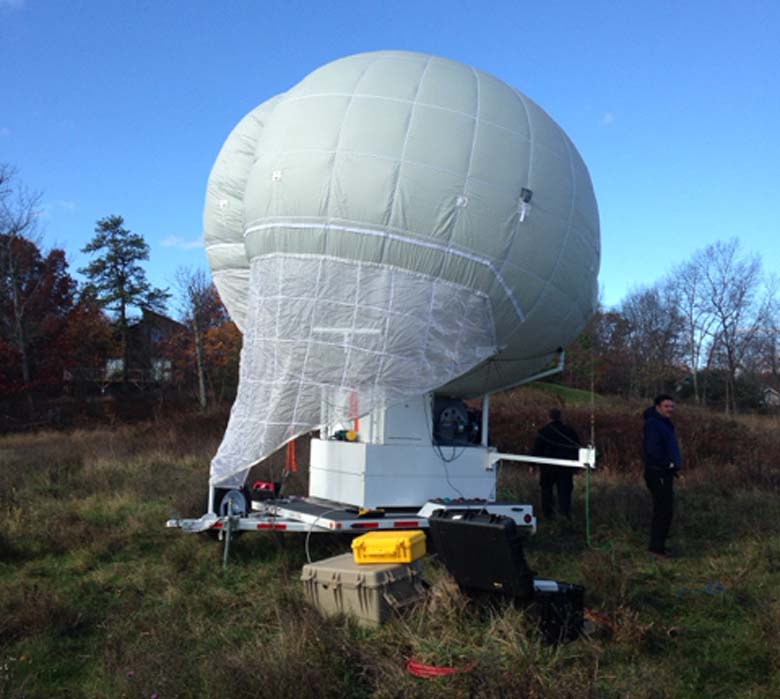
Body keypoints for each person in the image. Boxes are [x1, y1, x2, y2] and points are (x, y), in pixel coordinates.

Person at [643, 394, 681, 557]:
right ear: (658, 407)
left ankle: (659, 546)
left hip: (665, 473)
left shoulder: (666, 424)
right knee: (663, 510)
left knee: (665, 510)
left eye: (672, 406)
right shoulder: (653, 424)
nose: (670, 409)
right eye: (666, 406)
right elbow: (652, 449)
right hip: (658, 472)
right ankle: (656, 548)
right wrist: (668, 463)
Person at [532, 408, 581, 519]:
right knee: (565, 491)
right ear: (560, 417)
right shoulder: (570, 431)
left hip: (547, 468)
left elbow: (537, 449)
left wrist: (532, 465)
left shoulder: (543, 431)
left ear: (548, 417)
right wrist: (577, 466)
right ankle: (565, 513)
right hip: (565, 468)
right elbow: (576, 448)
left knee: (546, 490)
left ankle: (548, 514)